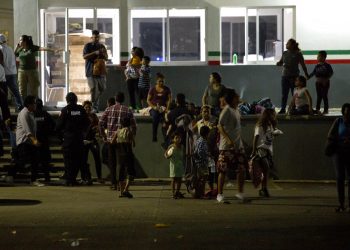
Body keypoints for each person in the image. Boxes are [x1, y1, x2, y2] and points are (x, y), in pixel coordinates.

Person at [99, 92, 137, 191]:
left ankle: (113, 183)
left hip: (111, 139)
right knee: (122, 162)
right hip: (123, 141)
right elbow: (134, 126)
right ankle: (122, 183)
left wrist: (104, 136)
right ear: (123, 99)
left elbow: (100, 124)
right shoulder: (128, 110)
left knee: (112, 162)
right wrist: (131, 137)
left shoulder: (108, 109)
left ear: (115, 99)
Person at [216, 89, 247, 203]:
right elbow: (219, 126)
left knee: (241, 169)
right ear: (232, 98)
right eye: (236, 96)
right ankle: (219, 194)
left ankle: (240, 193)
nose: (238, 97)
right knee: (223, 170)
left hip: (238, 146)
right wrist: (228, 140)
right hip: (226, 147)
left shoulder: (236, 110)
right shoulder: (226, 110)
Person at [56, 92, 90, 186]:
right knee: (77, 160)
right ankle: (73, 179)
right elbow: (87, 122)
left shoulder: (65, 110)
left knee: (68, 160)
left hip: (68, 139)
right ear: (76, 99)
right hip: (78, 139)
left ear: (67, 100)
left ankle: (69, 180)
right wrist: (83, 133)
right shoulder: (80, 109)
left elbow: (58, 126)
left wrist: (61, 138)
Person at [326, 103, 350, 212]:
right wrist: (338, 141)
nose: (347, 116)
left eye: (349, 114)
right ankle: (341, 204)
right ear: (343, 113)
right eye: (345, 114)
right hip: (338, 152)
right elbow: (330, 135)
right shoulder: (338, 121)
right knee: (340, 177)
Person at [251, 108, 279, 197]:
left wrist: (274, 134)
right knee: (266, 168)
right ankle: (264, 188)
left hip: (268, 150)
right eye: (273, 115)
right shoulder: (260, 125)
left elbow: (269, 137)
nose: (274, 116)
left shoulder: (270, 125)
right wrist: (254, 150)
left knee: (266, 170)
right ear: (268, 115)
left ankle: (263, 188)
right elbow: (256, 138)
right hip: (261, 150)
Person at [15, 95, 43, 186]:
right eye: (34, 103)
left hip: (30, 141)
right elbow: (27, 130)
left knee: (35, 160)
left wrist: (34, 140)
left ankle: (33, 180)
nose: (35, 105)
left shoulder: (31, 113)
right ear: (29, 104)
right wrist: (35, 141)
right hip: (23, 141)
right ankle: (11, 173)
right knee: (23, 161)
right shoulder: (24, 113)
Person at [276, 38, 309, 114]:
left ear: (292, 45)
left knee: (294, 93)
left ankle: (293, 108)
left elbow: (303, 65)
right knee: (284, 94)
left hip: (294, 77)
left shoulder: (298, 54)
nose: (286, 44)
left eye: (288, 43)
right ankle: (283, 108)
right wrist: (279, 63)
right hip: (285, 76)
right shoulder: (284, 53)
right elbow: (281, 62)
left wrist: (306, 74)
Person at [83, 30, 108, 113]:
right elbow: (84, 56)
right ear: (92, 37)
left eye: (97, 37)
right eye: (94, 37)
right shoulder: (88, 46)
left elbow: (106, 58)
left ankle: (92, 103)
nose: (96, 39)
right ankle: (94, 106)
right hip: (90, 71)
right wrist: (94, 53)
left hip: (100, 71)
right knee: (93, 88)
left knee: (102, 88)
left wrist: (103, 54)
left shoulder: (102, 46)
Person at [110, 117, 136, 198]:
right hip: (128, 154)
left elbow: (112, 142)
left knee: (121, 173)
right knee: (130, 173)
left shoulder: (117, 132)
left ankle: (121, 192)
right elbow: (133, 143)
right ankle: (126, 190)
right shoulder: (129, 131)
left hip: (120, 155)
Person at [34, 98, 55, 183]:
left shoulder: (32, 114)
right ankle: (47, 177)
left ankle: (34, 177)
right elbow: (53, 124)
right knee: (45, 160)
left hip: (34, 140)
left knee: (34, 160)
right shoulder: (45, 114)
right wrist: (48, 133)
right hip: (44, 139)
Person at [0, 33, 23, 111]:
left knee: (4, 93)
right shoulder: (10, 48)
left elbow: (2, 63)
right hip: (13, 73)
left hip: (5, 74)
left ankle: (5, 108)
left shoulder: (1, 49)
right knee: (16, 91)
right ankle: (20, 106)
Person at [147, 72, 172, 142]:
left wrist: (167, 109)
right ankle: (154, 136)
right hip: (154, 108)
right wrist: (154, 107)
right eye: (160, 81)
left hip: (163, 108)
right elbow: (148, 100)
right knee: (155, 116)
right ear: (156, 81)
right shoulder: (152, 89)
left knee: (166, 119)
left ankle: (166, 137)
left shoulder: (167, 89)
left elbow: (170, 99)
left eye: (162, 81)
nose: (161, 83)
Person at [82, 100, 103, 184]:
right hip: (84, 141)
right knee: (84, 160)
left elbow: (99, 126)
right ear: (83, 108)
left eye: (89, 107)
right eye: (86, 107)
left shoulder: (94, 116)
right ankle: (86, 178)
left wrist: (97, 129)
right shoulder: (81, 117)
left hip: (92, 140)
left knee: (97, 158)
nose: (87, 109)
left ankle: (99, 177)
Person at [308, 50, 334, 114]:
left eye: (319, 56)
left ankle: (326, 109)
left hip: (325, 83)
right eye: (317, 56)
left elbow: (331, 73)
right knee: (319, 96)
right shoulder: (317, 65)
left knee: (324, 96)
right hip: (318, 82)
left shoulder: (327, 65)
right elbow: (314, 72)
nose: (317, 57)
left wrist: (326, 79)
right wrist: (308, 77)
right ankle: (317, 109)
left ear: (323, 57)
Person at [164, 131, 185, 199]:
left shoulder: (182, 146)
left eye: (179, 138)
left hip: (180, 165)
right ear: (173, 139)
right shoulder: (171, 146)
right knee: (173, 179)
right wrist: (167, 156)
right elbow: (166, 154)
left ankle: (177, 192)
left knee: (179, 179)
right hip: (173, 165)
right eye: (176, 138)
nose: (178, 139)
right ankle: (173, 193)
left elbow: (184, 155)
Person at [192, 125, 210, 198]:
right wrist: (206, 155)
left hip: (199, 162)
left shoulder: (199, 140)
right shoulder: (202, 141)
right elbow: (200, 152)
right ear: (207, 134)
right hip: (201, 162)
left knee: (200, 179)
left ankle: (197, 193)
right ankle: (201, 194)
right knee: (203, 178)